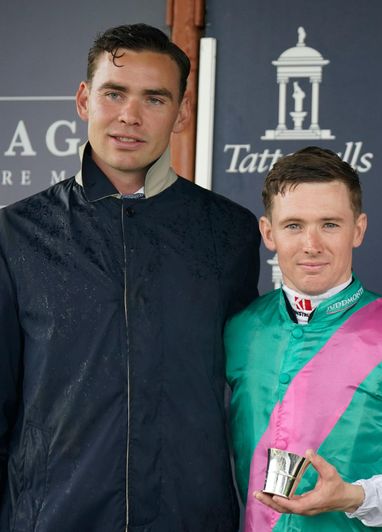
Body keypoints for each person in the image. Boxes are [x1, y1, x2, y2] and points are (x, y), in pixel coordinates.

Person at [0, 23, 259, 530]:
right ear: (83, 99)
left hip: (192, 518)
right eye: (113, 93)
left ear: (182, 112)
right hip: (52, 519)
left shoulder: (230, 233)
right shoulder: (15, 234)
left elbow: (251, 392)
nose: (130, 117)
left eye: (155, 99)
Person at [226, 146, 382, 531]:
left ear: (358, 229)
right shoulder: (240, 331)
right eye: (294, 226)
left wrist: (357, 497)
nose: (311, 244)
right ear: (268, 233)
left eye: (330, 224)